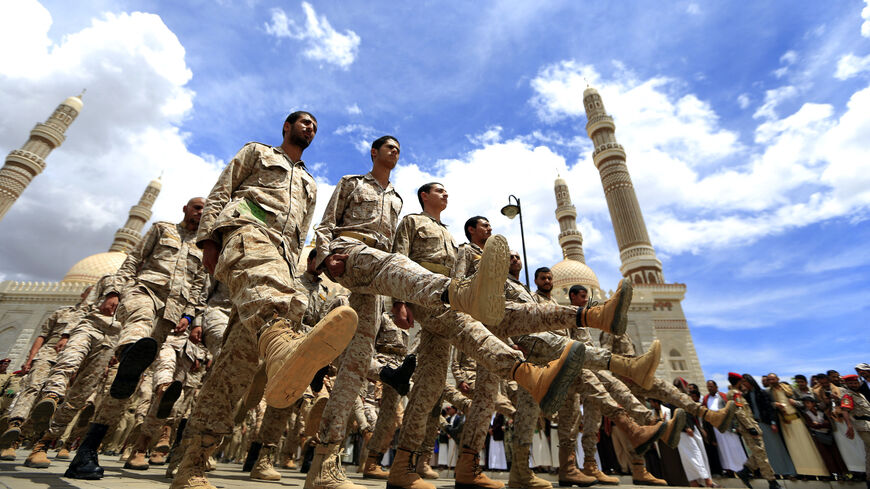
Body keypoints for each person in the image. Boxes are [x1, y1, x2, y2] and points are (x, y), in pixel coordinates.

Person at [171, 111, 362, 489]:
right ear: (287, 127)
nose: (310, 129)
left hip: (281, 260)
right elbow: (221, 191)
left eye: (315, 127)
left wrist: (294, 268)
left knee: (236, 365)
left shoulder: (309, 181)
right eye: (304, 123)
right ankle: (282, 347)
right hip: (247, 231)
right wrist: (209, 239)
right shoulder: (257, 152)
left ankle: (192, 461)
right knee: (273, 322)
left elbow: (303, 230)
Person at [61, 197, 207, 480]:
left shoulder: (203, 250)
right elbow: (133, 261)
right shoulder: (162, 229)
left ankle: (86, 451)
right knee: (139, 326)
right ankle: (130, 349)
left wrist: (188, 317)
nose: (200, 213)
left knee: (123, 387)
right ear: (185, 209)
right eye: (196, 207)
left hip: (170, 313)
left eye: (205, 210)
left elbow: (199, 288)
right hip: (144, 293)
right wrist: (114, 291)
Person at [727, 373, 781, 489]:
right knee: (761, 454)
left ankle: (745, 471)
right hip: (749, 427)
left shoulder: (736, 393)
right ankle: (772, 482)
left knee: (758, 452)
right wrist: (750, 427)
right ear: (739, 381)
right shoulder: (735, 394)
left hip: (750, 426)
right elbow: (740, 412)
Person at [768, 373, 829, 477]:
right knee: (794, 450)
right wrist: (775, 405)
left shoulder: (789, 388)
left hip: (798, 420)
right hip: (785, 423)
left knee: (808, 446)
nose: (772, 381)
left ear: (777, 378)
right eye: (769, 380)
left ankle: (818, 473)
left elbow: (804, 402)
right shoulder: (769, 393)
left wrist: (795, 403)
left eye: (773, 379)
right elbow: (768, 405)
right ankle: (802, 473)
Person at [741, 374, 795, 477]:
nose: (744, 384)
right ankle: (774, 472)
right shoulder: (746, 396)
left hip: (767, 424)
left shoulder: (762, 393)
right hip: (757, 425)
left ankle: (786, 471)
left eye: (745, 381)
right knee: (766, 451)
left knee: (776, 448)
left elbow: (770, 408)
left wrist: (773, 423)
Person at [703, 380, 746, 474]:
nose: (709, 388)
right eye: (708, 387)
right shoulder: (706, 399)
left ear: (716, 387)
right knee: (723, 449)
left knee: (734, 447)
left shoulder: (723, 396)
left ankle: (743, 468)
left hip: (729, 426)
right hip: (716, 429)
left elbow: (732, 411)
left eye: (711, 386)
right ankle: (729, 469)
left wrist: (736, 426)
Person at [801, 395, 848, 478]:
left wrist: (819, 424)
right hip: (818, 436)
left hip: (828, 434)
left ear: (813, 403)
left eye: (808, 403)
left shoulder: (821, 412)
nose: (806, 405)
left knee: (836, 454)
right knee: (827, 456)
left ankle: (844, 473)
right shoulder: (806, 414)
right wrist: (821, 424)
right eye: (805, 403)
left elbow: (829, 423)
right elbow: (812, 425)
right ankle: (834, 474)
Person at [840, 374, 870, 488]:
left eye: (855, 382)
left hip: (868, 424)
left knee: (869, 454)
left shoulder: (860, 394)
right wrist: (849, 426)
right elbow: (845, 411)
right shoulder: (847, 396)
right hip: (863, 426)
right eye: (851, 383)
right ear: (847, 384)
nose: (854, 385)